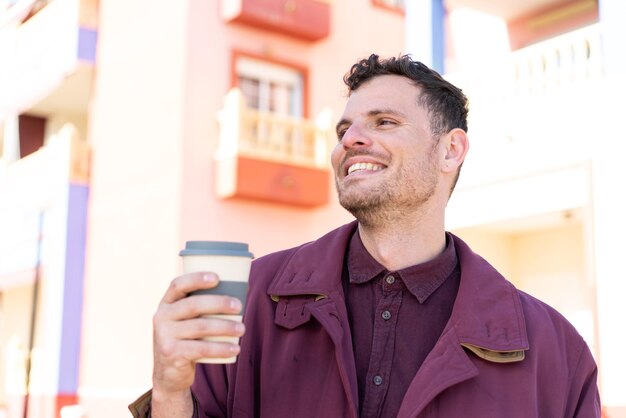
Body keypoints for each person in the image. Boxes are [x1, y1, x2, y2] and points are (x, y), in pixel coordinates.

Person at [129, 54, 600, 418]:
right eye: (345, 128)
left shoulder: (557, 354)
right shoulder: (249, 303)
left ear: (450, 150)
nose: (350, 139)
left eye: (384, 122)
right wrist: (170, 389)